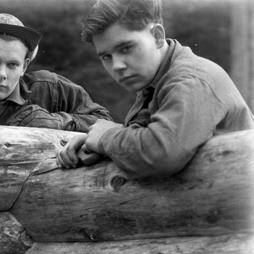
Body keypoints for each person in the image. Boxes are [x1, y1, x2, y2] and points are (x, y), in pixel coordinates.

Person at [57, 0, 254, 177]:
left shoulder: (190, 81)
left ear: (158, 36)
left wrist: (107, 138)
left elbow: (161, 154)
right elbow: (150, 134)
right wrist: (94, 140)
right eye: (106, 56)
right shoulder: (156, 79)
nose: (117, 65)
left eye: (126, 48)